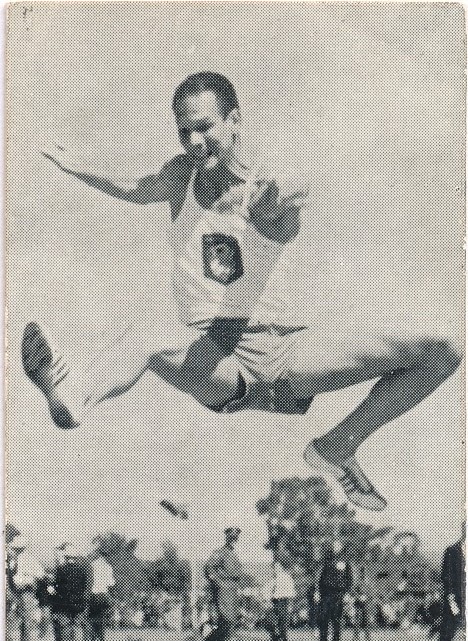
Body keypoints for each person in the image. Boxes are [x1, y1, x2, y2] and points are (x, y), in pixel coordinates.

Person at [22, 71, 462, 513]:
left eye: (204, 128)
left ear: (234, 121)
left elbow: (289, 201)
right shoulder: (181, 177)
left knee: (444, 349)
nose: (194, 142)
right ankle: (73, 395)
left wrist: (286, 195)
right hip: (216, 357)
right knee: (148, 335)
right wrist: (77, 166)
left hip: (284, 354)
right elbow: (136, 188)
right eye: (183, 131)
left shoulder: (263, 190)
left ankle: (338, 446)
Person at [204, 526, 243, 641]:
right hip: (224, 589)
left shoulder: (233, 554)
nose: (234, 540)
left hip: (233, 589)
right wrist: (218, 583)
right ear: (227, 538)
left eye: (235, 538)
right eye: (232, 538)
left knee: (231, 620)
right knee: (227, 619)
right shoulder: (220, 552)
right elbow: (209, 567)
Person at [50, 543, 89, 641]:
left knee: (65, 624)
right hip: (79, 601)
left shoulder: (61, 569)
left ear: (66, 557)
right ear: (75, 558)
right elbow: (84, 585)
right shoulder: (82, 570)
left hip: (64, 601)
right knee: (77, 624)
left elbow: (56, 586)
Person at [436, 524, 465, 641]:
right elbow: (445, 574)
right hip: (455, 593)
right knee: (449, 623)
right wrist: (450, 594)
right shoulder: (452, 551)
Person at [317, 541, 353, 641]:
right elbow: (321, 577)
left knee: (336, 619)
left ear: (341, 547)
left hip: (338, 594)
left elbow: (349, 579)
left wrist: (347, 593)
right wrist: (318, 592)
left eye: (337, 545)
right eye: (333, 545)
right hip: (325, 594)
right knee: (323, 618)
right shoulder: (327, 560)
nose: (335, 547)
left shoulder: (345, 561)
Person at [264, 547, 296, 641]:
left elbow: (291, 593)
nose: (275, 569)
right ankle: (275, 640)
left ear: (281, 567)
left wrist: (290, 605)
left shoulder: (287, 578)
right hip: (274, 602)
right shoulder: (273, 579)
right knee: (269, 622)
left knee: (283, 624)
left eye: (276, 567)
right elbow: (266, 590)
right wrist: (267, 600)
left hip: (283, 602)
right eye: (274, 567)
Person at [86, 543, 115, 641]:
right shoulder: (108, 567)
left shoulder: (91, 565)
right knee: (101, 619)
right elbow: (111, 583)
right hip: (103, 595)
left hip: (92, 595)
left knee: (91, 619)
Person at [352, 566, 375, 641]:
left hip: (366, 603)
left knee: (366, 619)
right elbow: (353, 592)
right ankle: (356, 635)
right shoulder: (357, 582)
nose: (362, 574)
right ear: (360, 573)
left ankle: (367, 635)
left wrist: (366, 597)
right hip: (358, 603)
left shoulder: (368, 583)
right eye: (361, 572)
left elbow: (371, 593)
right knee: (357, 619)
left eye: (363, 572)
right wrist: (358, 597)